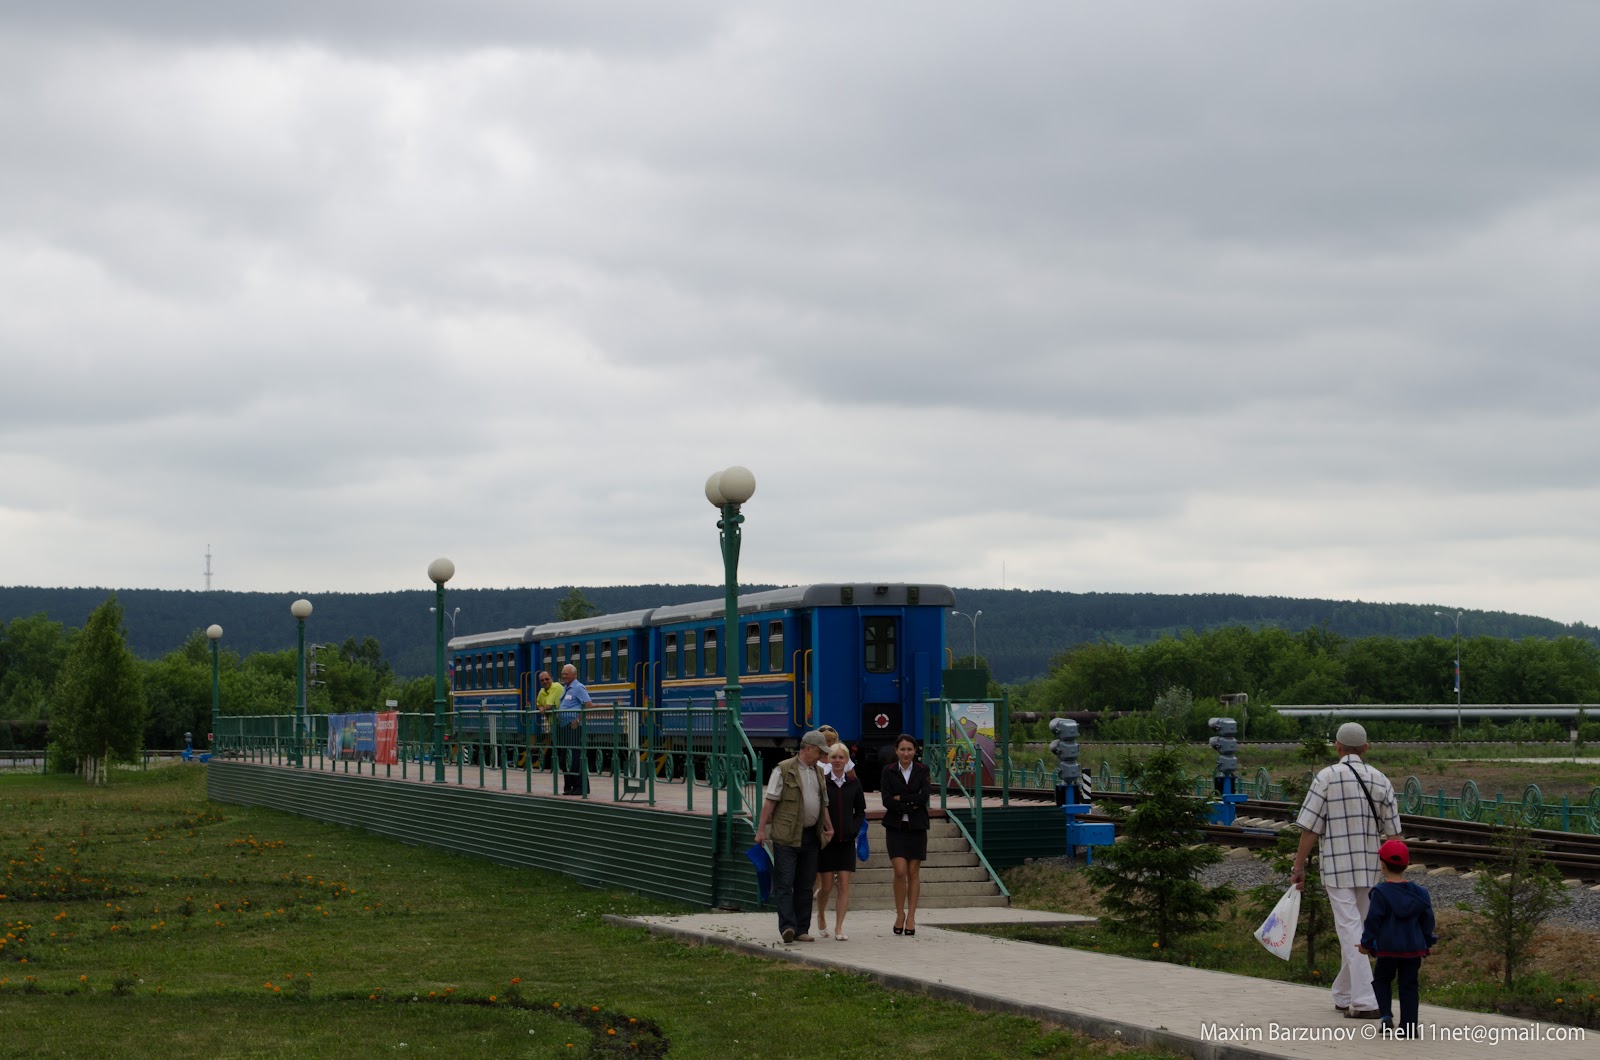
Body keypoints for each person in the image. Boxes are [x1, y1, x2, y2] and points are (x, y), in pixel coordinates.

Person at [1291, 721, 1402, 1019]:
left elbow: (1310, 828)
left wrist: (1298, 866)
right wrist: (1396, 876)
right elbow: (1394, 836)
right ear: (1366, 748)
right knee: (1358, 929)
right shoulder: (1381, 780)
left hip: (1337, 868)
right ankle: (1344, 993)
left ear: (1337, 747)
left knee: (1351, 930)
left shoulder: (1326, 777)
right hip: (1370, 869)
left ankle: (1365, 1001)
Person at [754, 731, 833, 943]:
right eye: (819, 751)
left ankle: (801, 929)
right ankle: (788, 926)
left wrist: (829, 827)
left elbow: (823, 803)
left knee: (805, 885)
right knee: (784, 882)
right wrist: (761, 830)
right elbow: (770, 801)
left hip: (811, 835)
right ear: (807, 748)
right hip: (786, 836)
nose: (821, 756)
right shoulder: (783, 769)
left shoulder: (818, 772)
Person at [1360, 840, 1436, 1039]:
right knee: (1409, 986)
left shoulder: (1380, 893)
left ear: (1382, 865)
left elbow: (1373, 921)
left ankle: (1386, 1016)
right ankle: (1409, 1028)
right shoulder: (1421, 893)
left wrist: (1366, 944)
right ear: (1407, 864)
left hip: (1388, 949)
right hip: (1413, 949)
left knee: (1381, 980)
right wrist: (1428, 942)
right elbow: (1427, 920)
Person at [879, 733, 930, 937]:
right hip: (895, 826)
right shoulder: (888, 771)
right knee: (900, 871)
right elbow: (886, 800)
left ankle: (911, 917)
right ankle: (900, 913)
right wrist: (909, 804)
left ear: (915, 751)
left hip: (917, 827)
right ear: (896, 751)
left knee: (913, 871)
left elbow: (924, 797)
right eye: (902, 749)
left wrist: (901, 798)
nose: (906, 753)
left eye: (909, 749)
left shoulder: (923, 770)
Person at [815, 742, 866, 941]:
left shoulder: (854, 784)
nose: (837, 761)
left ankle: (839, 927)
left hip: (847, 841)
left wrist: (854, 828)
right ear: (829, 760)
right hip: (828, 842)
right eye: (834, 757)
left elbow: (860, 810)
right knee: (827, 886)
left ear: (847, 761)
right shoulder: (823, 783)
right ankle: (820, 914)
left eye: (841, 757)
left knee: (844, 884)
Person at [556, 664, 591, 795]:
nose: (564, 676)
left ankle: (581, 787)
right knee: (565, 758)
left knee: (575, 757)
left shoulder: (578, 687)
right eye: (563, 673)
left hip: (573, 728)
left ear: (574, 675)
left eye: (566, 674)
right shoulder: (566, 688)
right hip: (564, 727)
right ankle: (570, 786)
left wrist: (577, 720)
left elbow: (588, 705)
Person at [534, 670, 561, 770]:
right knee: (557, 749)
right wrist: (541, 708)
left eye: (547, 679)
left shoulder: (556, 687)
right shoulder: (542, 691)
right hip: (553, 725)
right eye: (542, 680)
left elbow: (549, 706)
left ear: (552, 679)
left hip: (562, 724)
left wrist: (543, 709)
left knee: (562, 749)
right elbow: (538, 704)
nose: (545, 681)